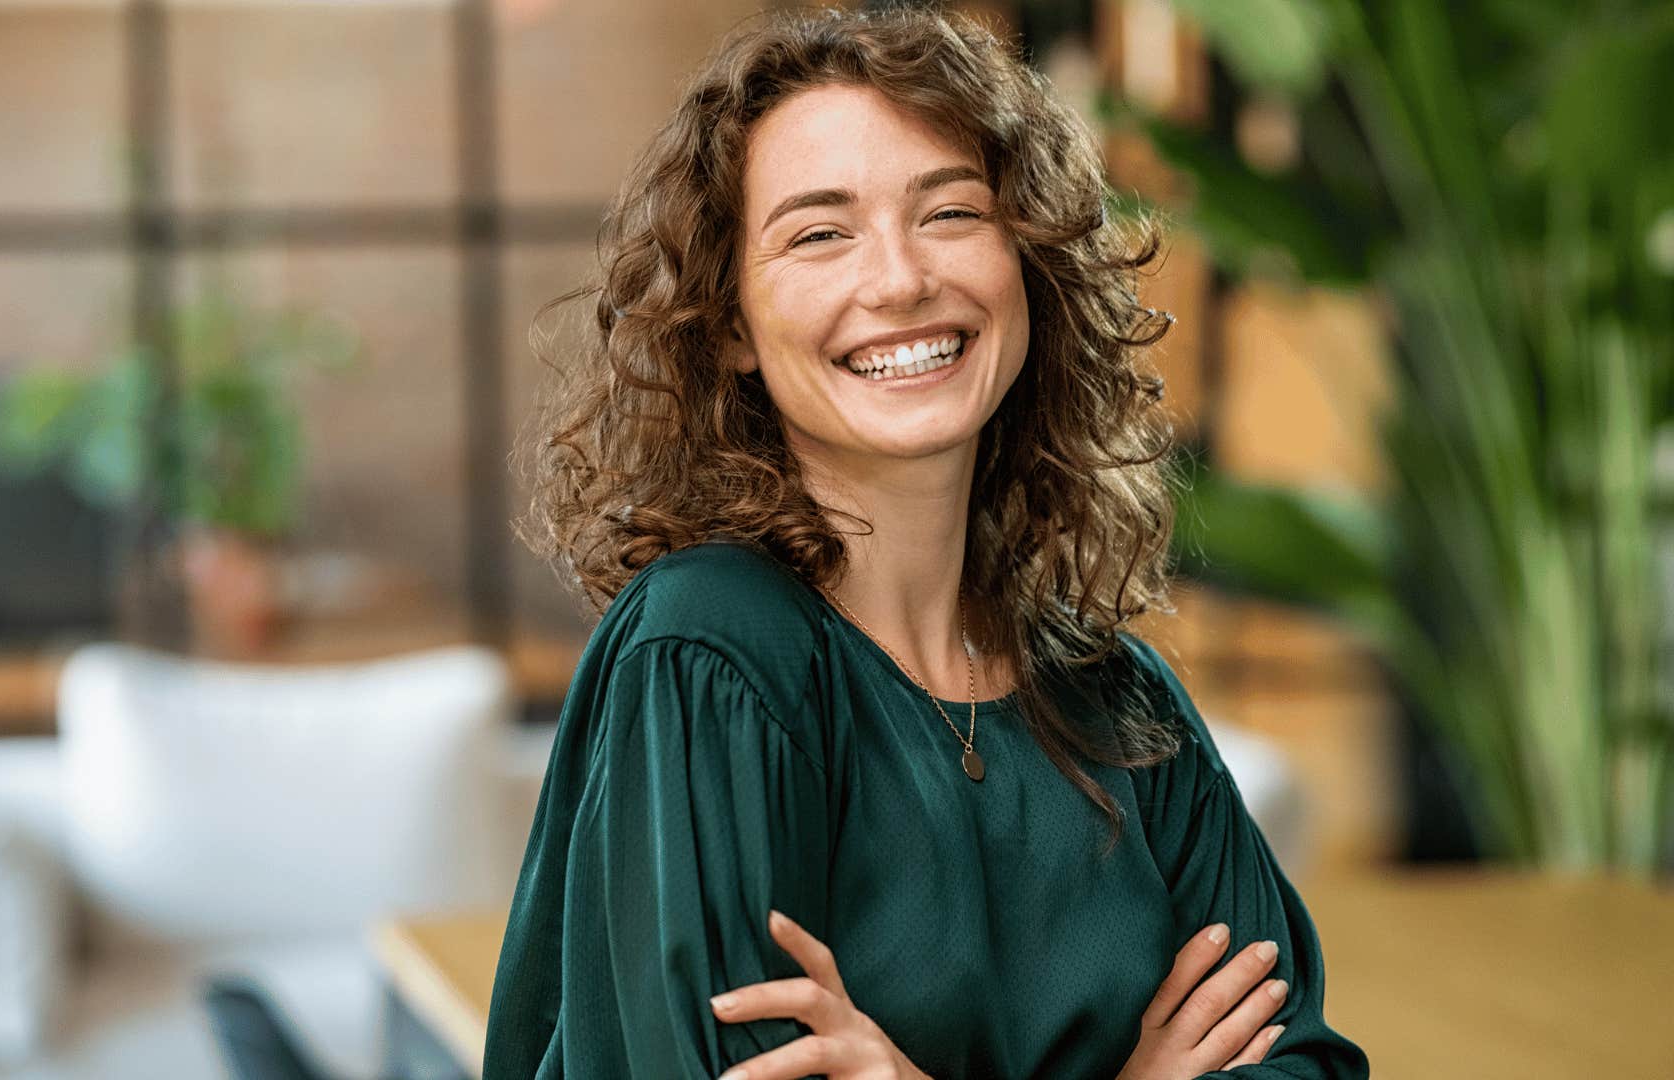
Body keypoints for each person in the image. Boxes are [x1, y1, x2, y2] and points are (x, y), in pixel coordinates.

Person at [484, 7, 1369, 1079]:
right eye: (820, 232)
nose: (900, 279)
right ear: (728, 325)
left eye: (950, 212)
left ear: (1026, 261)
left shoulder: (1118, 702)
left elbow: (1302, 1063)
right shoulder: (711, 653)